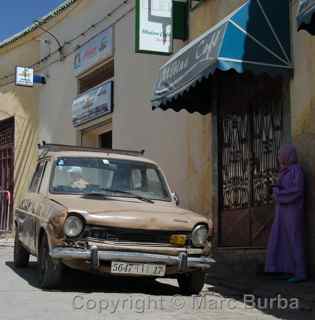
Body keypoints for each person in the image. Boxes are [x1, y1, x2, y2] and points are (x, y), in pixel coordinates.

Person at [265, 144, 307, 283]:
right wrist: (276, 187)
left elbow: (297, 190)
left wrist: (279, 194)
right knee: (282, 240)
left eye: (281, 154)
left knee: (294, 240)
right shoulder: (284, 171)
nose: (279, 157)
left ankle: (301, 272)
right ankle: (287, 269)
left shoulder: (296, 170)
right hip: (282, 211)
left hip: (293, 211)